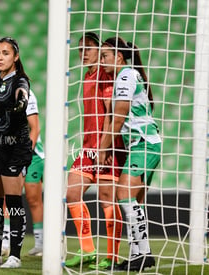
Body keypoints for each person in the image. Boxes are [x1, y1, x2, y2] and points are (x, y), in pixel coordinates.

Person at [98, 36, 161, 271]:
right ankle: (139, 255)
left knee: (124, 195)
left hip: (144, 144)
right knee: (135, 201)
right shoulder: (128, 75)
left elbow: (120, 115)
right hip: (144, 144)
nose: (102, 60)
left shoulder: (125, 75)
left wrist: (103, 148)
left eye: (105, 55)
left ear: (119, 56)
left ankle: (143, 254)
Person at [64, 32, 125, 270]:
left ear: (101, 51)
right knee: (72, 192)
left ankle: (112, 256)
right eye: (81, 49)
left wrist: (107, 145)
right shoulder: (87, 76)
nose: (84, 53)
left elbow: (112, 112)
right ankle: (87, 250)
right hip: (88, 148)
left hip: (108, 147)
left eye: (89, 48)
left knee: (107, 199)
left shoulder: (105, 76)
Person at [0, 37, 33, 269]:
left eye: (6, 53)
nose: (0, 57)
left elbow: (23, 94)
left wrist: (20, 103)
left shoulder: (20, 80)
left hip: (13, 147)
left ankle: (16, 255)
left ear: (16, 57)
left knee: (13, 201)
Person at [1, 90, 45, 257]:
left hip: (33, 155)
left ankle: (40, 244)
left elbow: (35, 128)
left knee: (34, 199)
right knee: (8, 199)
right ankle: (5, 244)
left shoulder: (26, 94)